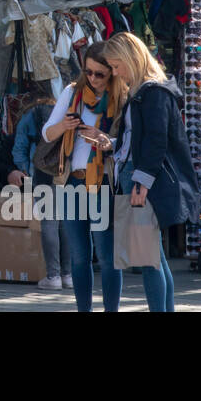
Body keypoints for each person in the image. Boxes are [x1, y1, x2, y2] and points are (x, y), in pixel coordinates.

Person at [101, 31, 198, 313]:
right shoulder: (148, 92)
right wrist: (116, 145)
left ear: (131, 59)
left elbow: (156, 140)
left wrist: (141, 183)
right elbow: (144, 138)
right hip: (138, 174)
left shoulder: (152, 92)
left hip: (142, 178)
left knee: (147, 259)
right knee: (152, 257)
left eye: (117, 66)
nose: (116, 73)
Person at [41, 43, 122, 311]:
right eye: (88, 72)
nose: (93, 79)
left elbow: (127, 139)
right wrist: (64, 125)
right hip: (72, 180)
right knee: (78, 255)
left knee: (107, 255)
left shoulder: (120, 95)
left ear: (112, 71)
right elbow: (46, 134)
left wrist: (106, 140)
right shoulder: (72, 92)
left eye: (100, 74)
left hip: (103, 181)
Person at [10, 96, 70, 289]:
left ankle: (53, 276)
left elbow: (19, 148)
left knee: (49, 222)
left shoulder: (31, 115)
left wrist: (26, 169)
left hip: (43, 172)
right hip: (68, 172)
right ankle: (68, 275)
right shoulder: (67, 111)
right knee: (66, 223)